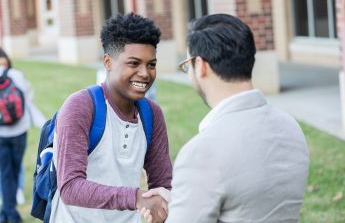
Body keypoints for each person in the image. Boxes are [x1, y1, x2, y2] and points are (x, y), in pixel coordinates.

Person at [142, 14, 309, 223]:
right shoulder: (291, 127)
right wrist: (183, 200)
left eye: (187, 66)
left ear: (201, 66)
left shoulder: (202, 153)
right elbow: (249, 198)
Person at [49, 13, 172, 223]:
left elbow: (162, 183)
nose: (145, 73)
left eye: (151, 65)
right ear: (108, 61)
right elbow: (70, 187)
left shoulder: (152, 114)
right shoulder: (80, 106)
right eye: (134, 63)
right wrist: (136, 198)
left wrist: (161, 206)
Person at [0, 47, 46, 223]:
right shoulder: (16, 75)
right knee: (15, 168)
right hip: (19, 132)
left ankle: (7, 213)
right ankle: (9, 214)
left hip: (1, 134)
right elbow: (28, 99)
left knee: (6, 173)